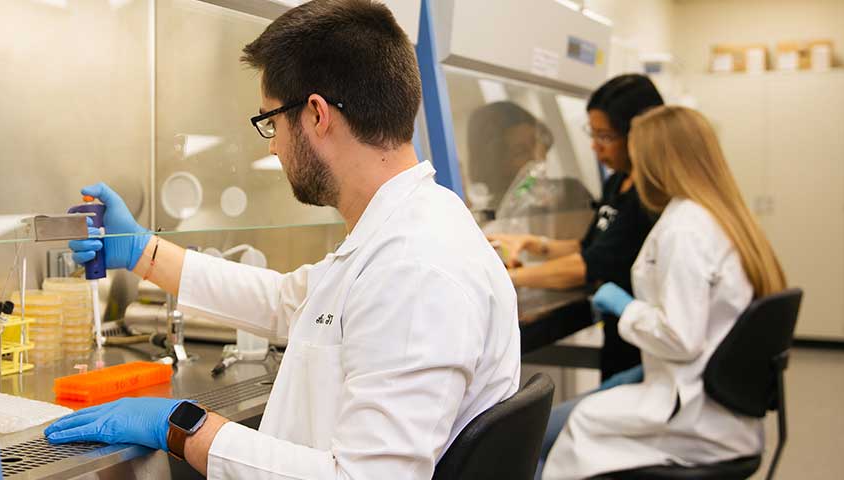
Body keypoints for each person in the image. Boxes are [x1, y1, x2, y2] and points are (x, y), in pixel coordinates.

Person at [43, 1, 521, 478]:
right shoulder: (406, 230)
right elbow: (284, 302)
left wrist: (182, 427)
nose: (271, 145)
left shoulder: (416, 268)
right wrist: (143, 252)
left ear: (316, 114)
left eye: (270, 121)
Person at [540, 106, 787, 479]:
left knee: (575, 430)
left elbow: (680, 337)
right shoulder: (718, 216)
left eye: (638, 161)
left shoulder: (684, 229)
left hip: (694, 415)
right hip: (718, 408)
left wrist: (626, 308)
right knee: (573, 420)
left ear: (658, 163)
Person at [488, 74, 664, 382]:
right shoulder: (617, 183)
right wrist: (533, 243)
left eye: (606, 137)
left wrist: (509, 278)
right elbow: (591, 246)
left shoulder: (648, 198)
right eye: (592, 134)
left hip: (642, 346)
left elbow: (588, 266)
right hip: (618, 335)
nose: (595, 146)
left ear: (638, 135)